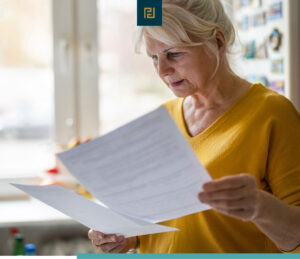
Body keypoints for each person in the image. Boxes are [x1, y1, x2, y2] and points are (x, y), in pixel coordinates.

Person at [88, 0, 300, 253]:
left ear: (218, 42)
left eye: (174, 54)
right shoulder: (163, 117)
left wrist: (259, 207)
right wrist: (127, 236)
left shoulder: (271, 113)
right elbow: (163, 219)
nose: (162, 70)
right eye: (154, 57)